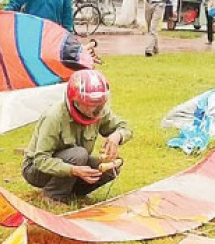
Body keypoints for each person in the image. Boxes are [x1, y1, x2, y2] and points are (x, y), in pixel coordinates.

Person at [21, 70, 133, 204]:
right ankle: (53, 196)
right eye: (90, 105)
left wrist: (117, 136)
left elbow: (125, 127)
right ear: (75, 101)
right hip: (35, 170)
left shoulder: (99, 111)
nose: (96, 110)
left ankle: (72, 193)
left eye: (99, 104)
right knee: (79, 154)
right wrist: (72, 170)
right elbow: (40, 160)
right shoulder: (54, 117)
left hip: (75, 161)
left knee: (111, 167)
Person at [5, 0, 74, 32]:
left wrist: (68, 33)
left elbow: (67, 13)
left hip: (53, 34)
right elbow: (15, 3)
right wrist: (4, 19)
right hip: (33, 31)